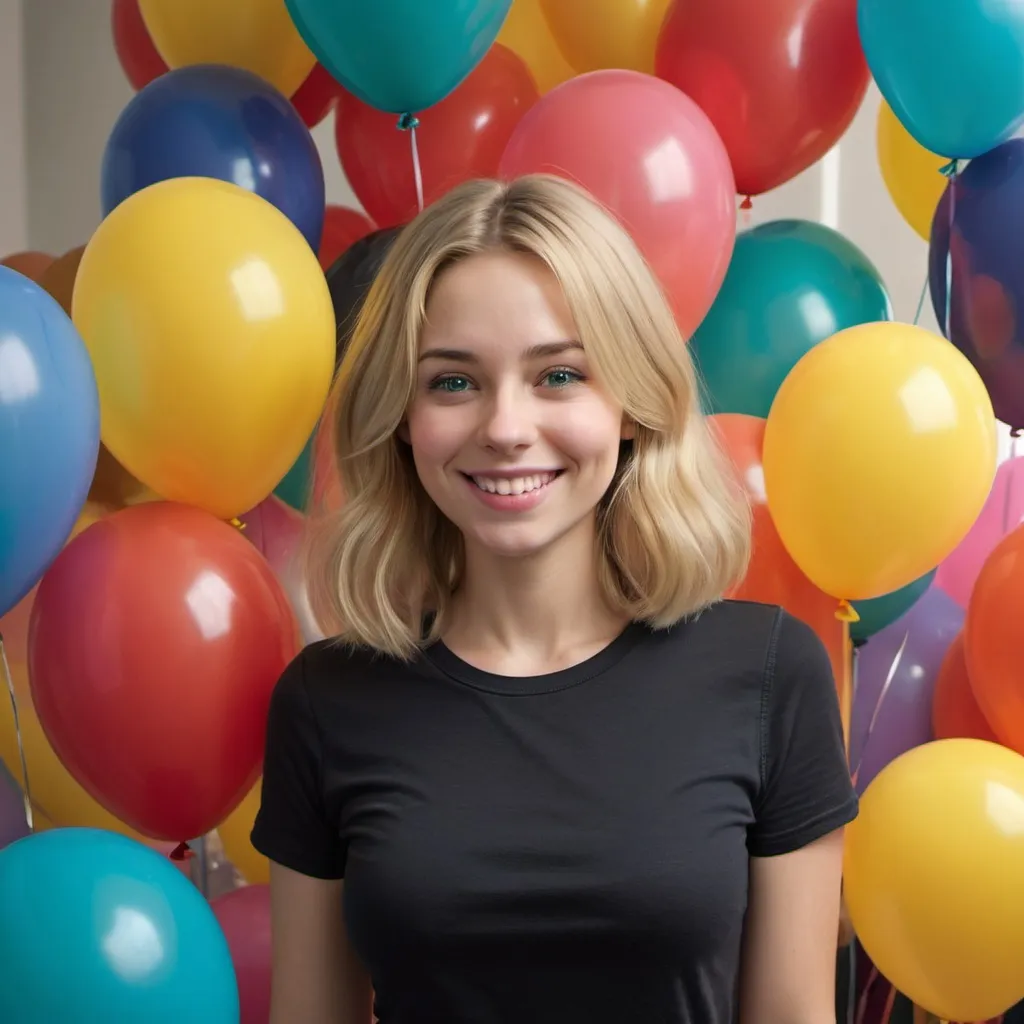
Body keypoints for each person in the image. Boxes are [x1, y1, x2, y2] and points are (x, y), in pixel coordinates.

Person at [250, 174, 858, 1024]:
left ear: (633, 407)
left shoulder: (767, 676)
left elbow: (793, 1015)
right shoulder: (328, 701)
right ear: (402, 420)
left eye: (559, 374)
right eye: (453, 382)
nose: (504, 427)